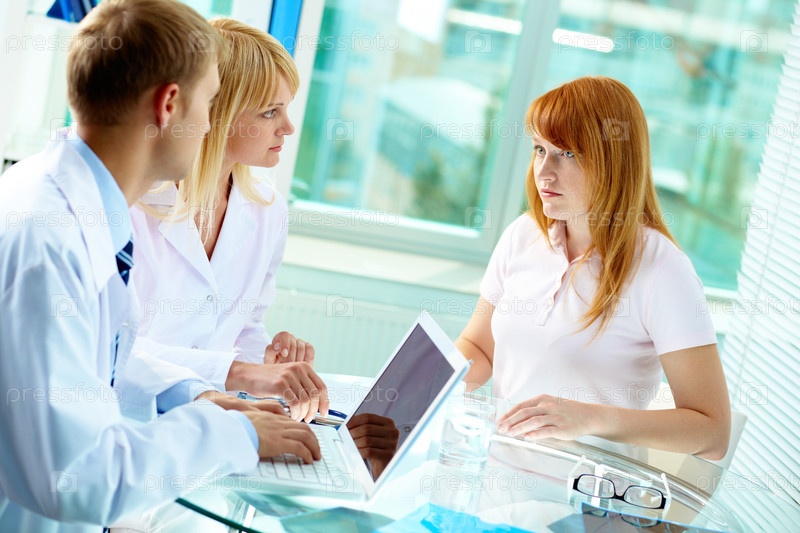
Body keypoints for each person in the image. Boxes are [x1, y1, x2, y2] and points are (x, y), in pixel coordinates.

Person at [0, 1, 319, 531]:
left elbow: (103, 366)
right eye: (210, 102)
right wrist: (235, 435)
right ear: (170, 104)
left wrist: (199, 395)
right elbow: (79, 478)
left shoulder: (80, 205)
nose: (210, 124)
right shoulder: (48, 237)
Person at [456, 76, 731, 460]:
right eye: (540, 149)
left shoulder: (663, 271)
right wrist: (421, 383)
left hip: (586, 489)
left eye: (567, 154)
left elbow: (713, 433)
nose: (544, 171)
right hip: (498, 466)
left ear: (613, 160)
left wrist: (590, 418)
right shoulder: (523, 235)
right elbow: (480, 348)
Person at [129, 18, 328, 423]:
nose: (288, 128)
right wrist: (240, 372)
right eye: (270, 112)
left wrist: (269, 360)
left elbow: (245, 327)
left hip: (210, 416)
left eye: (286, 109)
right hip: (135, 419)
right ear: (215, 114)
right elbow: (115, 350)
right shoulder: (133, 202)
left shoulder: (268, 209)